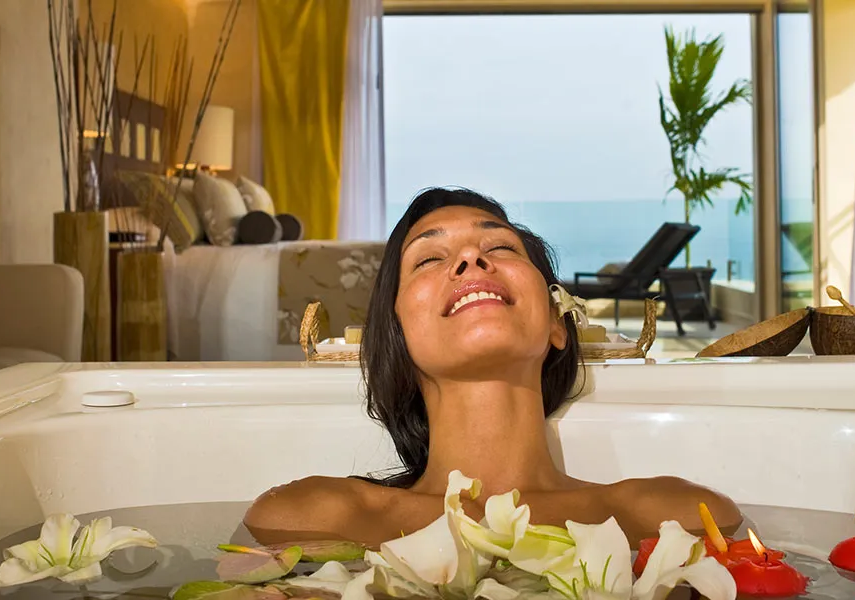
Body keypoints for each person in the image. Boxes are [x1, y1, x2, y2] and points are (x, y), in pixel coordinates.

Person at [244, 188, 740, 547]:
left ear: (555, 322)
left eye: (499, 247)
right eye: (428, 258)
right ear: (394, 336)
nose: (469, 259)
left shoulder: (682, 518)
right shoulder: (306, 519)